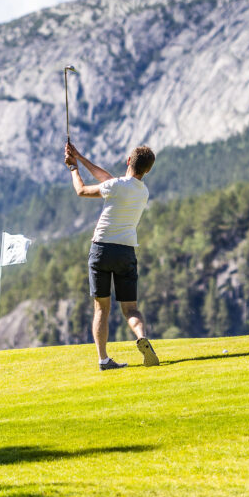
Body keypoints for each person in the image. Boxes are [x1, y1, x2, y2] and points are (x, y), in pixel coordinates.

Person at [65, 139, 160, 371]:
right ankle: (141, 336)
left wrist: (73, 167)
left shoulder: (116, 186)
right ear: (147, 170)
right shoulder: (142, 192)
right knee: (131, 309)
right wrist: (80, 156)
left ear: (128, 161)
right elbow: (109, 180)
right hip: (126, 251)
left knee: (101, 309)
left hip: (101, 250)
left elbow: (82, 190)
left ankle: (104, 359)